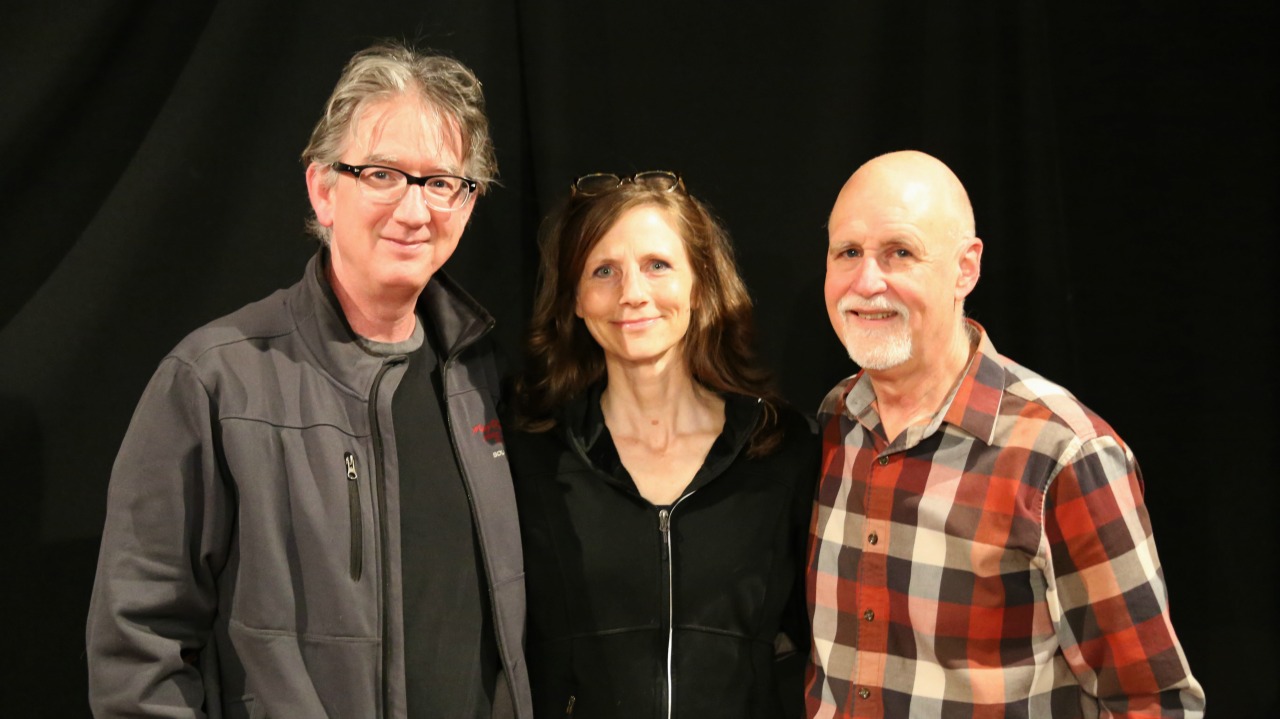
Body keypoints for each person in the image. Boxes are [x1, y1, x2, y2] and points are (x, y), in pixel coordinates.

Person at [86, 42, 532, 718]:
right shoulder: (216, 380)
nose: (415, 211)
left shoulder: (481, 378)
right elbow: (137, 645)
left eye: (441, 181)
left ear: (467, 204)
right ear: (324, 188)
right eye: (383, 174)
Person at [806, 150, 1204, 718]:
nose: (868, 281)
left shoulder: (1064, 455)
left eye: (900, 252)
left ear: (965, 269)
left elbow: (1151, 702)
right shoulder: (834, 423)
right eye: (849, 253)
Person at [507, 171, 818, 718]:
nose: (632, 294)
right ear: (575, 298)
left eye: (658, 266)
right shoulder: (529, 454)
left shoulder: (778, 448)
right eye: (603, 270)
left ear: (699, 284)